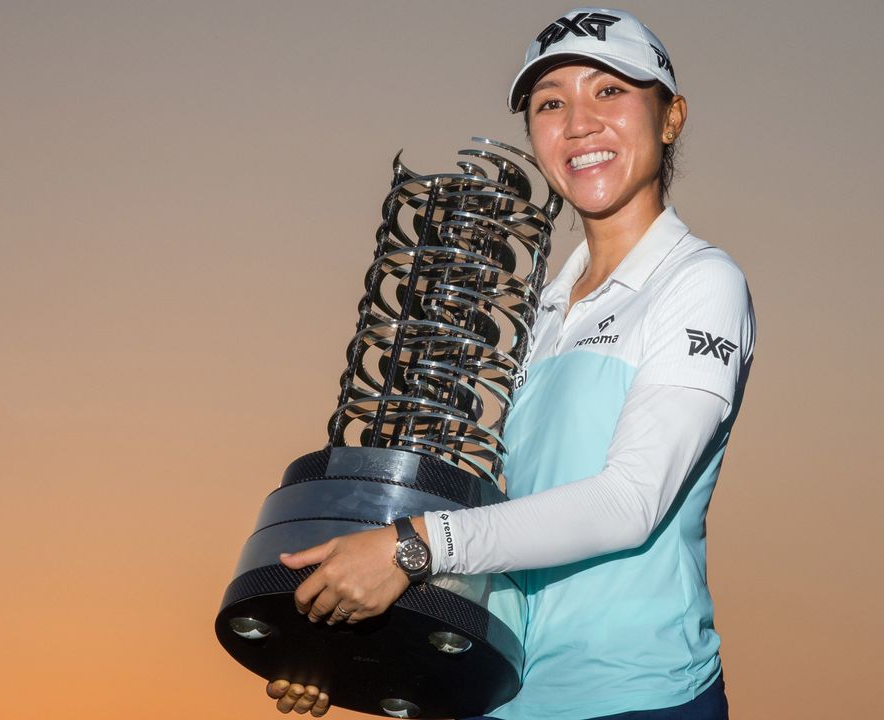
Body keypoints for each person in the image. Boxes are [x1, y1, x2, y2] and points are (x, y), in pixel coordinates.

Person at [265, 7, 755, 719]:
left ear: (671, 116)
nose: (579, 123)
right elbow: (509, 530)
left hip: (637, 697)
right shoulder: (541, 309)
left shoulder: (701, 282)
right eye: (551, 102)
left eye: (610, 92)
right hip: (501, 693)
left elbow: (629, 503)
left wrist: (408, 548)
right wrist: (346, 637)